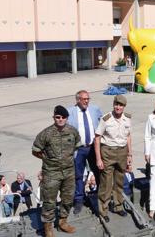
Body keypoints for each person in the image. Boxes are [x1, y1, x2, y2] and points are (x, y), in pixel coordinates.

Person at [32, 105, 81, 236]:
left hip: (69, 172)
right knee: (49, 201)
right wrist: (48, 160)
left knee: (68, 198)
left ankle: (63, 222)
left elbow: (77, 146)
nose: (60, 119)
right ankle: (48, 228)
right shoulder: (46, 133)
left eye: (63, 117)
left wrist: (66, 159)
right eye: (57, 117)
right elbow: (35, 151)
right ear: (54, 117)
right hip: (51, 173)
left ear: (66, 118)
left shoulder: (73, 131)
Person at [94, 95, 132, 223]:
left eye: (120, 105)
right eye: (116, 104)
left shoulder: (127, 118)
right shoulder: (106, 119)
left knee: (119, 181)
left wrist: (129, 155)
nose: (118, 107)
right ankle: (103, 210)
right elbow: (97, 138)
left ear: (124, 106)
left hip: (122, 152)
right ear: (113, 105)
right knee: (106, 184)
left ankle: (118, 206)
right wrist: (98, 159)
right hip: (108, 152)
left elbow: (128, 136)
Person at [67, 90, 103, 214]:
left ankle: (101, 197)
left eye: (88, 99)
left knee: (98, 172)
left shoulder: (95, 109)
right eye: (84, 99)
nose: (86, 101)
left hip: (93, 148)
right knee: (78, 175)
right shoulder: (70, 112)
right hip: (79, 149)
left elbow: (103, 123)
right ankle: (79, 200)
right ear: (77, 100)